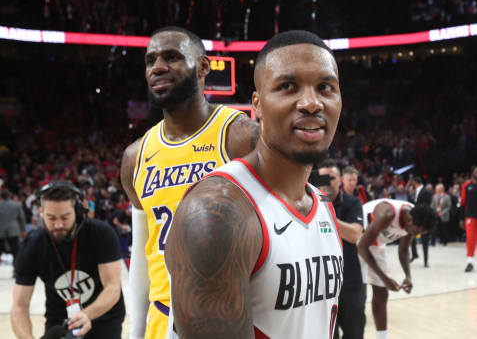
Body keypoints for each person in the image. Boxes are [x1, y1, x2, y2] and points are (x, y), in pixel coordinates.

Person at [165, 30, 344, 339]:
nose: (312, 103)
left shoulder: (321, 204)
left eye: (325, 87)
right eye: (288, 87)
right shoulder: (217, 213)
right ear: (257, 105)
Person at [119, 26, 258, 339]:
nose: (158, 67)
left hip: (228, 314)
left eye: (172, 57)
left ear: (204, 66)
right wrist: (136, 332)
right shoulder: (135, 156)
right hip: (162, 316)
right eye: (150, 60)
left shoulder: (239, 136)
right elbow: (143, 254)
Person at [11, 182, 125, 338]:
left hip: (104, 317)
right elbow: (19, 306)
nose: (58, 224)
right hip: (60, 320)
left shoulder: (101, 233)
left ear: (77, 212)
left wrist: (87, 314)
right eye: (51, 218)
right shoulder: (32, 245)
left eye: (65, 217)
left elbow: (112, 288)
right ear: (41, 213)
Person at [358, 199, 437, 339]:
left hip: (376, 243)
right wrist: (385, 278)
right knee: (358, 294)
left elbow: (404, 250)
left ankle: (382, 337)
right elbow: (362, 247)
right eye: (417, 231)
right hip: (356, 238)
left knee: (382, 293)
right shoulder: (387, 214)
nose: (416, 234)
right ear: (410, 220)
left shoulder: (414, 217)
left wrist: (408, 276)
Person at [317, 160, 365, 339]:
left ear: (340, 180)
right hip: (321, 286)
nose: (328, 181)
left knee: (354, 334)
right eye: (323, 177)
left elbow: (354, 234)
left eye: (332, 177)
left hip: (350, 281)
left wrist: (322, 214)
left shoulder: (353, 203)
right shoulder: (306, 203)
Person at [409, 176, 432, 266]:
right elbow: (416, 203)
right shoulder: (416, 191)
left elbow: (427, 205)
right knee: (412, 236)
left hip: (423, 218)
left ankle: (426, 261)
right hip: (416, 217)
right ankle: (415, 254)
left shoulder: (425, 191)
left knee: (425, 239)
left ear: (415, 182)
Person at [0, 189, 26, 268]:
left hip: (1, 230)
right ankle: (17, 270)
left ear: (1, 196)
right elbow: (22, 218)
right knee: (16, 251)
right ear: (9, 196)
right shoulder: (17, 205)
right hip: (13, 230)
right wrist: (23, 230)